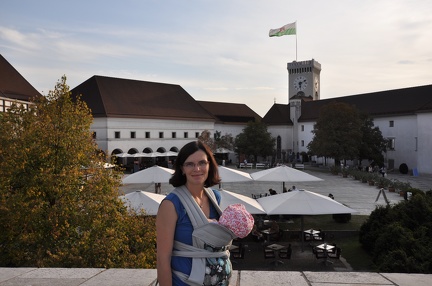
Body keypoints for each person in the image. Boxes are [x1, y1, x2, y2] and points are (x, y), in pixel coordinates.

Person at [156, 141, 233, 286]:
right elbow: (162, 258)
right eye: (190, 164)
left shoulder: (215, 197)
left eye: (202, 163)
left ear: (210, 165)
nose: (197, 169)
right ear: (182, 169)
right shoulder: (171, 205)